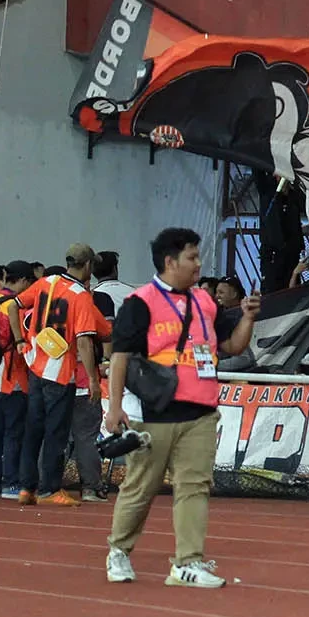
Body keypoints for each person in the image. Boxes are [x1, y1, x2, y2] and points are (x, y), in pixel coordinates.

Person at [103, 227, 258, 587]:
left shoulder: (206, 302)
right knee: (141, 487)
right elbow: (120, 356)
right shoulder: (140, 302)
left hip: (201, 412)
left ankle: (187, 562)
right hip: (154, 411)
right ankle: (118, 551)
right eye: (192, 257)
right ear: (170, 262)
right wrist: (114, 407)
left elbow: (232, 347)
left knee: (195, 487)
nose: (199, 263)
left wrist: (248, 318)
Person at [16, 243, 109, 507]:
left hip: (36, 365)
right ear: (88, 265)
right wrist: (93, 380)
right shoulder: (80, 295)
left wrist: (19, 340)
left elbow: (14, 305)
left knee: (33, 429)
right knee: (56, 433)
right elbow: (85, 341)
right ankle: (49, 489)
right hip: (60, 372)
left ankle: (27, 488)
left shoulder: (47, 282)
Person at [0, 261, 33, 499]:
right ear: (22, 280)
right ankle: (11, 482)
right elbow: (23, 339)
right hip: (13, 376)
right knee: (13, 433)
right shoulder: (14, 305)